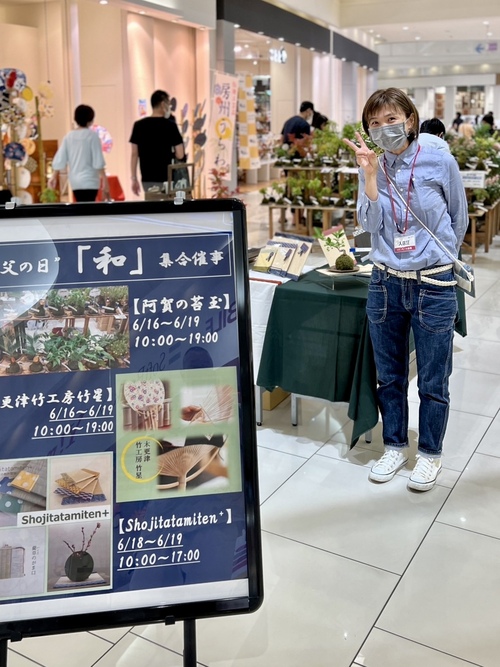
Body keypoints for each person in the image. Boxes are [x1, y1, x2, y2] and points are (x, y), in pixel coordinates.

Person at [343, 88, 468, 492]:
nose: (384, 128)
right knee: (390, 377)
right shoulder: (372, 165)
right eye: (374, 123)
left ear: (410, 120)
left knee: (433, 379)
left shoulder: (439, 159)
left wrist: (435, 257)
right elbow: (369, 225)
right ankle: (395, 445)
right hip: (385, 283)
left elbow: (458, 218)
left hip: (433, 283)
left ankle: (430, 453)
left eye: (391, 119)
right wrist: (369, 177)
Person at [129, 89, 185, 197]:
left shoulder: (138, 125)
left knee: (152, 205)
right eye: (168, 104)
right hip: (167, 177)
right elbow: (180, 154)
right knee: (168, 206)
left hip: (147, 178)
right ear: (163, 104)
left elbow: (134, 154)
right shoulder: (171, 125)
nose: (169, 107)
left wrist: (134, 178)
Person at [49, 104, 109, 202]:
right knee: (90, 206)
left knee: (80, 205)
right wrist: (105, 180)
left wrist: (54, 176)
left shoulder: (69, 137)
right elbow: (98, 162)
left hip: (76, 182)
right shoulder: (93, 136)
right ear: (90, 120)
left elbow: (60, 159)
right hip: (91, 180)